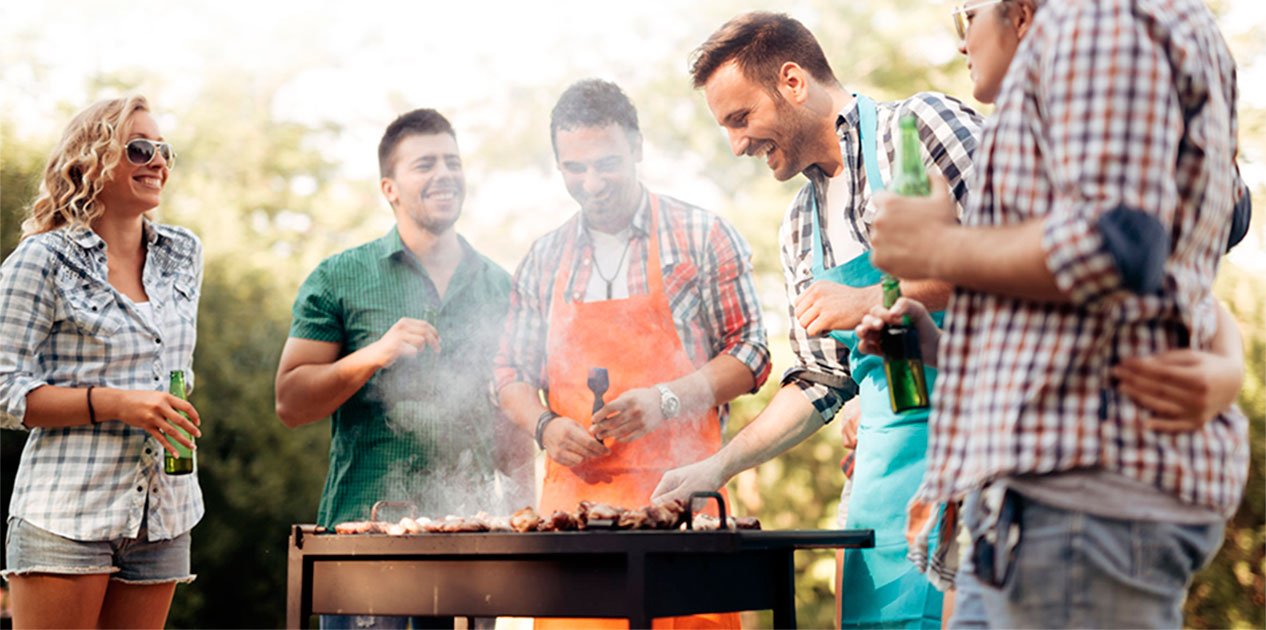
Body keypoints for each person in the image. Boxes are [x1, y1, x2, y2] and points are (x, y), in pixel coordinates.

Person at [865, 0, 1250, 627]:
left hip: (1079, 494)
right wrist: (935, 343)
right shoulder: (1103, 53)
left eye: (968, 16)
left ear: (1019, 12)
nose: (962, 43)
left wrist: (936, 247)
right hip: (1031, 500)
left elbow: (1120, 245)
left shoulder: (1097, 19)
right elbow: (1119, 295)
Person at [651, 12, 983, 628]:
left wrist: (871, 299)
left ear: (793, 81)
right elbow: (821, 381)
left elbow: (1029, 256)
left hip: (983, 457)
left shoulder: (921, 128)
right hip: (882, 486)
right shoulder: (799, 228)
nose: (737, 145)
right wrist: (717, 466)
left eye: (741, 118)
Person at [494, 78, 770, 629]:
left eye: (607, 164)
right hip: (574, 526)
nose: (592, 183)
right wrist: (545, 426)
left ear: (637, 147)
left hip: (682, 509)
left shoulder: (702, 236)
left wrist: (668, 399)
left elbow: (752, 353)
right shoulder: (544, 258)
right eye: (574, 168)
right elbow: (508, 373)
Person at [274, 109, 521, 630]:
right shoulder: (340, 276)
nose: (444, 174)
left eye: (452, 162)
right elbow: (291, 403)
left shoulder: (502, 287)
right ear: (389, 188)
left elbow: (514, 423)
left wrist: (525, 527)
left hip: (471, 546)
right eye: (424, 164)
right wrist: (374, 354)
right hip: (363, 540)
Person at [0, 95, 204, 629]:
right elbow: (3, 391)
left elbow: (171, 366)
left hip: (164, 514)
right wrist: (118, 403)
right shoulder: (42, 259)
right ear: (90, 160)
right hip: (66, 512)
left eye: (163, 150)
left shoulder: (184, 254)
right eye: (138, 149)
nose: (157, 161)